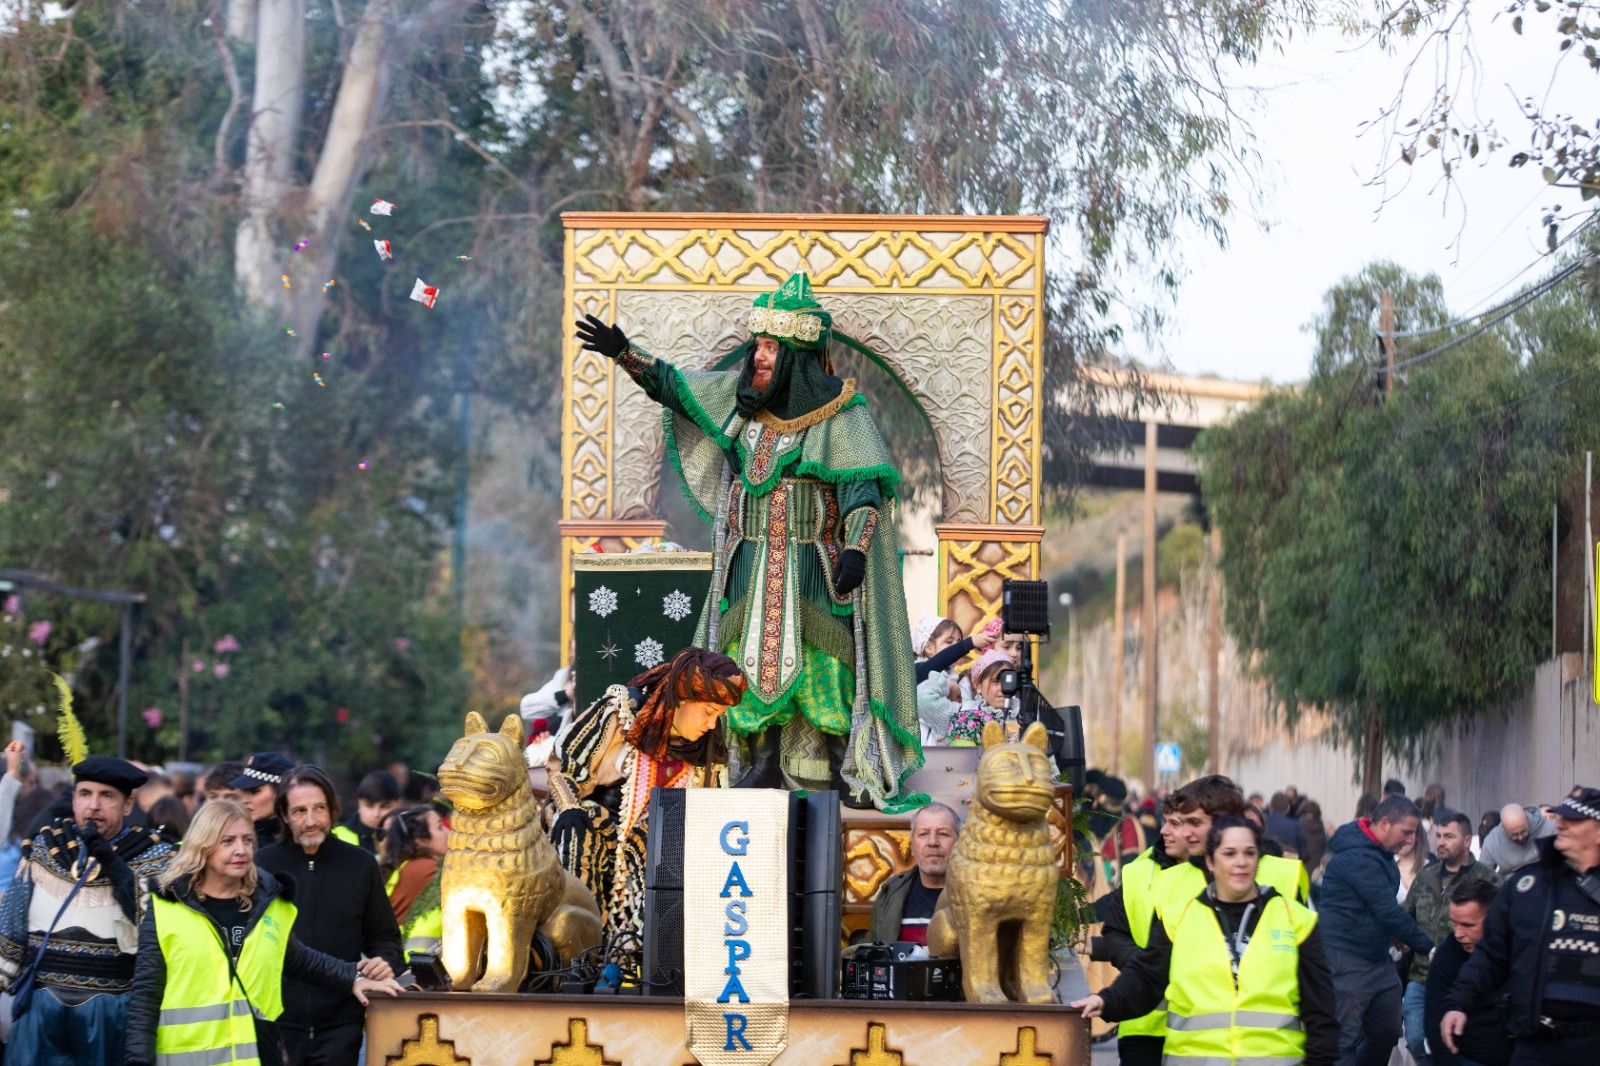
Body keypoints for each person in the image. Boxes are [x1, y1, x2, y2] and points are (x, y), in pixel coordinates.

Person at [575, 272, 923, 811]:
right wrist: (626, 354)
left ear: (795, 354)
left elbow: (863, 492)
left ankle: (833, 771)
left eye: (768, 347)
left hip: (816, 568)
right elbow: (676, 387)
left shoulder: (844, 415)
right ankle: (759, 764)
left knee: (825, 667)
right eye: (758, 344)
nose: (757, 355)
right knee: (737, 662)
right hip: (747, 564)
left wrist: (855, 549)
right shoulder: (743, 402)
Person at [125, 800, 402, 1066]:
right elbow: (146, 995)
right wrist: (138, 1060)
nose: (241, 850)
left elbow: (297, 958)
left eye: (247, 840)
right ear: (202, 846)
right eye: (228, 841)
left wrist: (353, 977)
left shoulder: (266, 905)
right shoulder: (166, 909)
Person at [1072, 816, 1339, 1066]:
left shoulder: (1296, 921)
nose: (1241, 862)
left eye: (1249, 853)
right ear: (1210, 861)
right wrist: (1106, 1001)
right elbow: (1146, 977)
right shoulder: (1182, 918)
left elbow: (1321, 1015)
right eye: (1229, 853)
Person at [548, 647, 746, 956]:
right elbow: (564, 773)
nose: (711, 724)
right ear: (681, 698)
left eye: (718, 716)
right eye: (708, 712)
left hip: (658, 855)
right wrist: (569, 808)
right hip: (598, 829)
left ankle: (639, 964)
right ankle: (574, 959)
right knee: (577, 835)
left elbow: (714, 815)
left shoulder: (708, 753)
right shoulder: (624, 712)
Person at [0, 756, 177, 1064]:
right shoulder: (46, 846)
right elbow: (11, 926)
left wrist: (115, 866)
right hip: (41, 1008)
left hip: (111, 1010)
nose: (93, 805)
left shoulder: (155, 856)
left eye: (106, 795)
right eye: (85, 794)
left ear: (126, 804)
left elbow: (158, 932)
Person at [1442, 785, 1600, 1065]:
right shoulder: (1527, 888)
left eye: (1573, 820)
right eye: (1560, 817)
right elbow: (1491, 954)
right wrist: (1458, 1003)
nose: (1559, 823)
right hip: (1536, 1045)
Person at [256, 764, 402, 1065]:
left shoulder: (360, 865)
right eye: (299, 811)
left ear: (332, 809)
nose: (311, 821)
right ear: (283, 815)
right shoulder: (262, 866)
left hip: (341, 1025)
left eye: (319, 808)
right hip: (277, 1024)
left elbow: (385, 937)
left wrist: (385, 963)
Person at [1319, 792, 1435, 1066]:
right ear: (1384, 824)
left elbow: (1371, 909)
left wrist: (1393, 935)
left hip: (1377, 960)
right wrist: (1429, 948)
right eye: (1406, 832)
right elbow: (1386, 908)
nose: (1410, 841)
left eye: (1414, 834)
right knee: (1344, 1041)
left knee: (1389, 1030)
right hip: (1345, 960)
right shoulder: (1356, 858)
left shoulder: (1378, 854)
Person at [1086, 794, 1188, 1066]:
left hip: (1197, 1034)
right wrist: (1141, 963)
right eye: (1167, 822)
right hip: (1141, 1025)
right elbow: (1117, 929)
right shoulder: (1141, 869)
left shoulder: (1224, 881)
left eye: (1176, 823)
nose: (1166, 830)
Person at [1403, 809, 1500, 1066]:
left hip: (1467, 975)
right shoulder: (1426, 877)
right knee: (1416, 1038)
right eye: (1439, 836)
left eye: (1449, 836)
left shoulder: (1487, 879)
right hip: (1422, 974)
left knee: (1457, 1038)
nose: (1441, 842)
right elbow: (1406, 917)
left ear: (1467, 841)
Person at [1155, 775, 1309, 917]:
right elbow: (1160, 944)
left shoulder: (1286, 873)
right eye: (1183, 823)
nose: (1185, 833)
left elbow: (1306, 938)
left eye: (1195, 822)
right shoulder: (1170, 881)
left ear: (1224, 821)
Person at [1424, 879, 1511, 1066]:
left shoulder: (1521, 949)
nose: (1458, 934)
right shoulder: (1447, 955)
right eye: (1454, 924)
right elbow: (1434, 1022)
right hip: (1467, 1056)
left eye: (1467, 925)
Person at [868, 803, 960, 945]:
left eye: (943, 834)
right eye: (923, 834)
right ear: (912, 846)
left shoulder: (978, 894)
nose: (933, 842)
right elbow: (874, 949)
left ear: (960, 843)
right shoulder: (892, 892)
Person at [379, 804, 450, 962]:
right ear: (421, 840)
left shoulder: (409, 866)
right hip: (409, 966)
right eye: (440, 827)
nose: (448, 832)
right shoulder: (426, 869)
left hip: (398, 960)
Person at [911, 616, 997, 743]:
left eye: (958, 641)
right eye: (949, 642)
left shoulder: (953, 675)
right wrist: (969, 643)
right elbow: (937, 663)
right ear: (929, 647)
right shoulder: (919, 670)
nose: (955, 647)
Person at [229, 752, 294, 847]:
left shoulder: (302, 838)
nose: (244, 800)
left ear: (281, 791)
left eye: (255, 791)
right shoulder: (239, 836)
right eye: (244, 792)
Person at [332, 769, 401, 853]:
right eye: (369, 806)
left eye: (385, 807)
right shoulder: (334, 837)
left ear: (398, 805)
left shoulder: (410, 839)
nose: (376, 814)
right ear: (359, 804)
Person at [1477, 803, 1556, 874]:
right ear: (1504, 829)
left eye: (1523, 831)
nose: (1520, 837)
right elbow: (1482, 877)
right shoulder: (1492, 843)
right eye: (1514, 835)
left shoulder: (1547, 828)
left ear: (1527, 820)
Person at [1267, 791, 1309, 859]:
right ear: (1288, 808)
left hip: (1265, 867)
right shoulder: (1296, 826)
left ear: (1270, 807)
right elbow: (1305, 854)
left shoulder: (1262, 823)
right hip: (1289, 867)